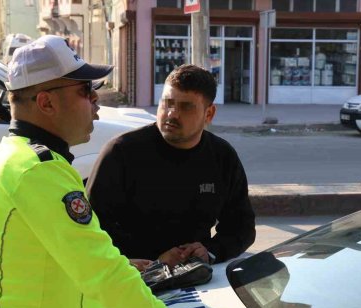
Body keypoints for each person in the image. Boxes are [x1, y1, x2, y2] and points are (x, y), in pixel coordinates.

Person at [0, 36, 232, 308]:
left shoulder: (26, 160)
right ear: (46, 103)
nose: (96, 100)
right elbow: (106, 277)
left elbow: (66, 267)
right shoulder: (37, 171)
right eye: (85, 91)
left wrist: (118, 264)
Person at [87, 64, 256, 268]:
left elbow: (242, 226)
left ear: (209, 114)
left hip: (196, 277)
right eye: (167, 103)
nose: (171, 114)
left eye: (186, 107)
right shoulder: (121, 152)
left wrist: (209, 251)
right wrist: (156, 261)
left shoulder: (222, 156)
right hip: (132, 278)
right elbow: (92, 229)